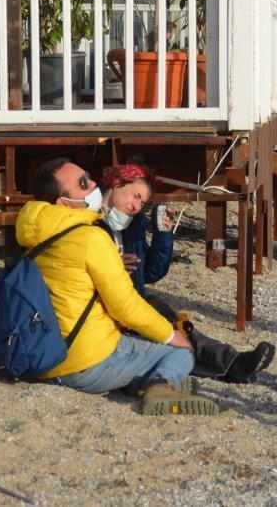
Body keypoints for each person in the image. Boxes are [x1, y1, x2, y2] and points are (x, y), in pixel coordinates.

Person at [16, 157, 217, 415]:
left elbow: (149, 272)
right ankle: (160, 389)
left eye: (87, 176)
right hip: (83, 360)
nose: (93, 184)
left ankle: (165, 376)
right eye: (82, 183)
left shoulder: (38, 232)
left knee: (160, 321)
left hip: (45, 353)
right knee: (180, 353)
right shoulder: (90, 236)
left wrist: (163, 235)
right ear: (64, 202)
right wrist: (171, 336)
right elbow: (125, 306)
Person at [96, 162, 275, 384]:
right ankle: (231, 365)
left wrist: (163, 234)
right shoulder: (87, 221)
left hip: (132, 300)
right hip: (102, 310)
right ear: (116, 183)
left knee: (177, 324)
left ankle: (233, 362)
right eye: (135, 196)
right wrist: (110, 265)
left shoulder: (133, 225)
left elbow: (151, 272)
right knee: (166, 335)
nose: (136, 206)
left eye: (142, 203)